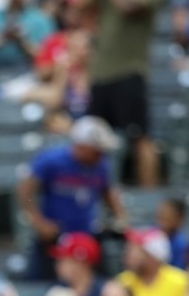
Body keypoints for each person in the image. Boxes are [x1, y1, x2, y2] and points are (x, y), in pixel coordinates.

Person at [76, 0, 164, 186]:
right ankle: (98, 194)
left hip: (130, 72)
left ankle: (149, 194)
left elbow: (128, 5)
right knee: (95, 139)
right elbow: (79, 6)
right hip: (101, 73)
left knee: (140, 136)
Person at [19, 116, 127, 281]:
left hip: (86, 237)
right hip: (55, 236)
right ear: (82, 146)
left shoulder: (100, 166)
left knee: (99, 283)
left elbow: (107, 192)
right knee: (41, 281)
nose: (100, 155)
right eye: (96, 151)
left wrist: (120, 216)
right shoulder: (51, 161)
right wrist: (38, 221)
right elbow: (25, 191)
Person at [118, 228, 189, 296]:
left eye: (135, 250)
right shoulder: (123, 282)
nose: (128, 255)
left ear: (153, 256)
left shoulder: (180, 282)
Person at [51, 232, 105, 296]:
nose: (58, 265)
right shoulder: (58, 288)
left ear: (81, 264)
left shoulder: (103, 292)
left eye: (64, 260)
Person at [156, 197, 188, 270]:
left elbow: (178, 271)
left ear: (179, 219)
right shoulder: (149, 235)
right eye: (161, 214)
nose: (162, 219)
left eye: (168, 215)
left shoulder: (181, 244)